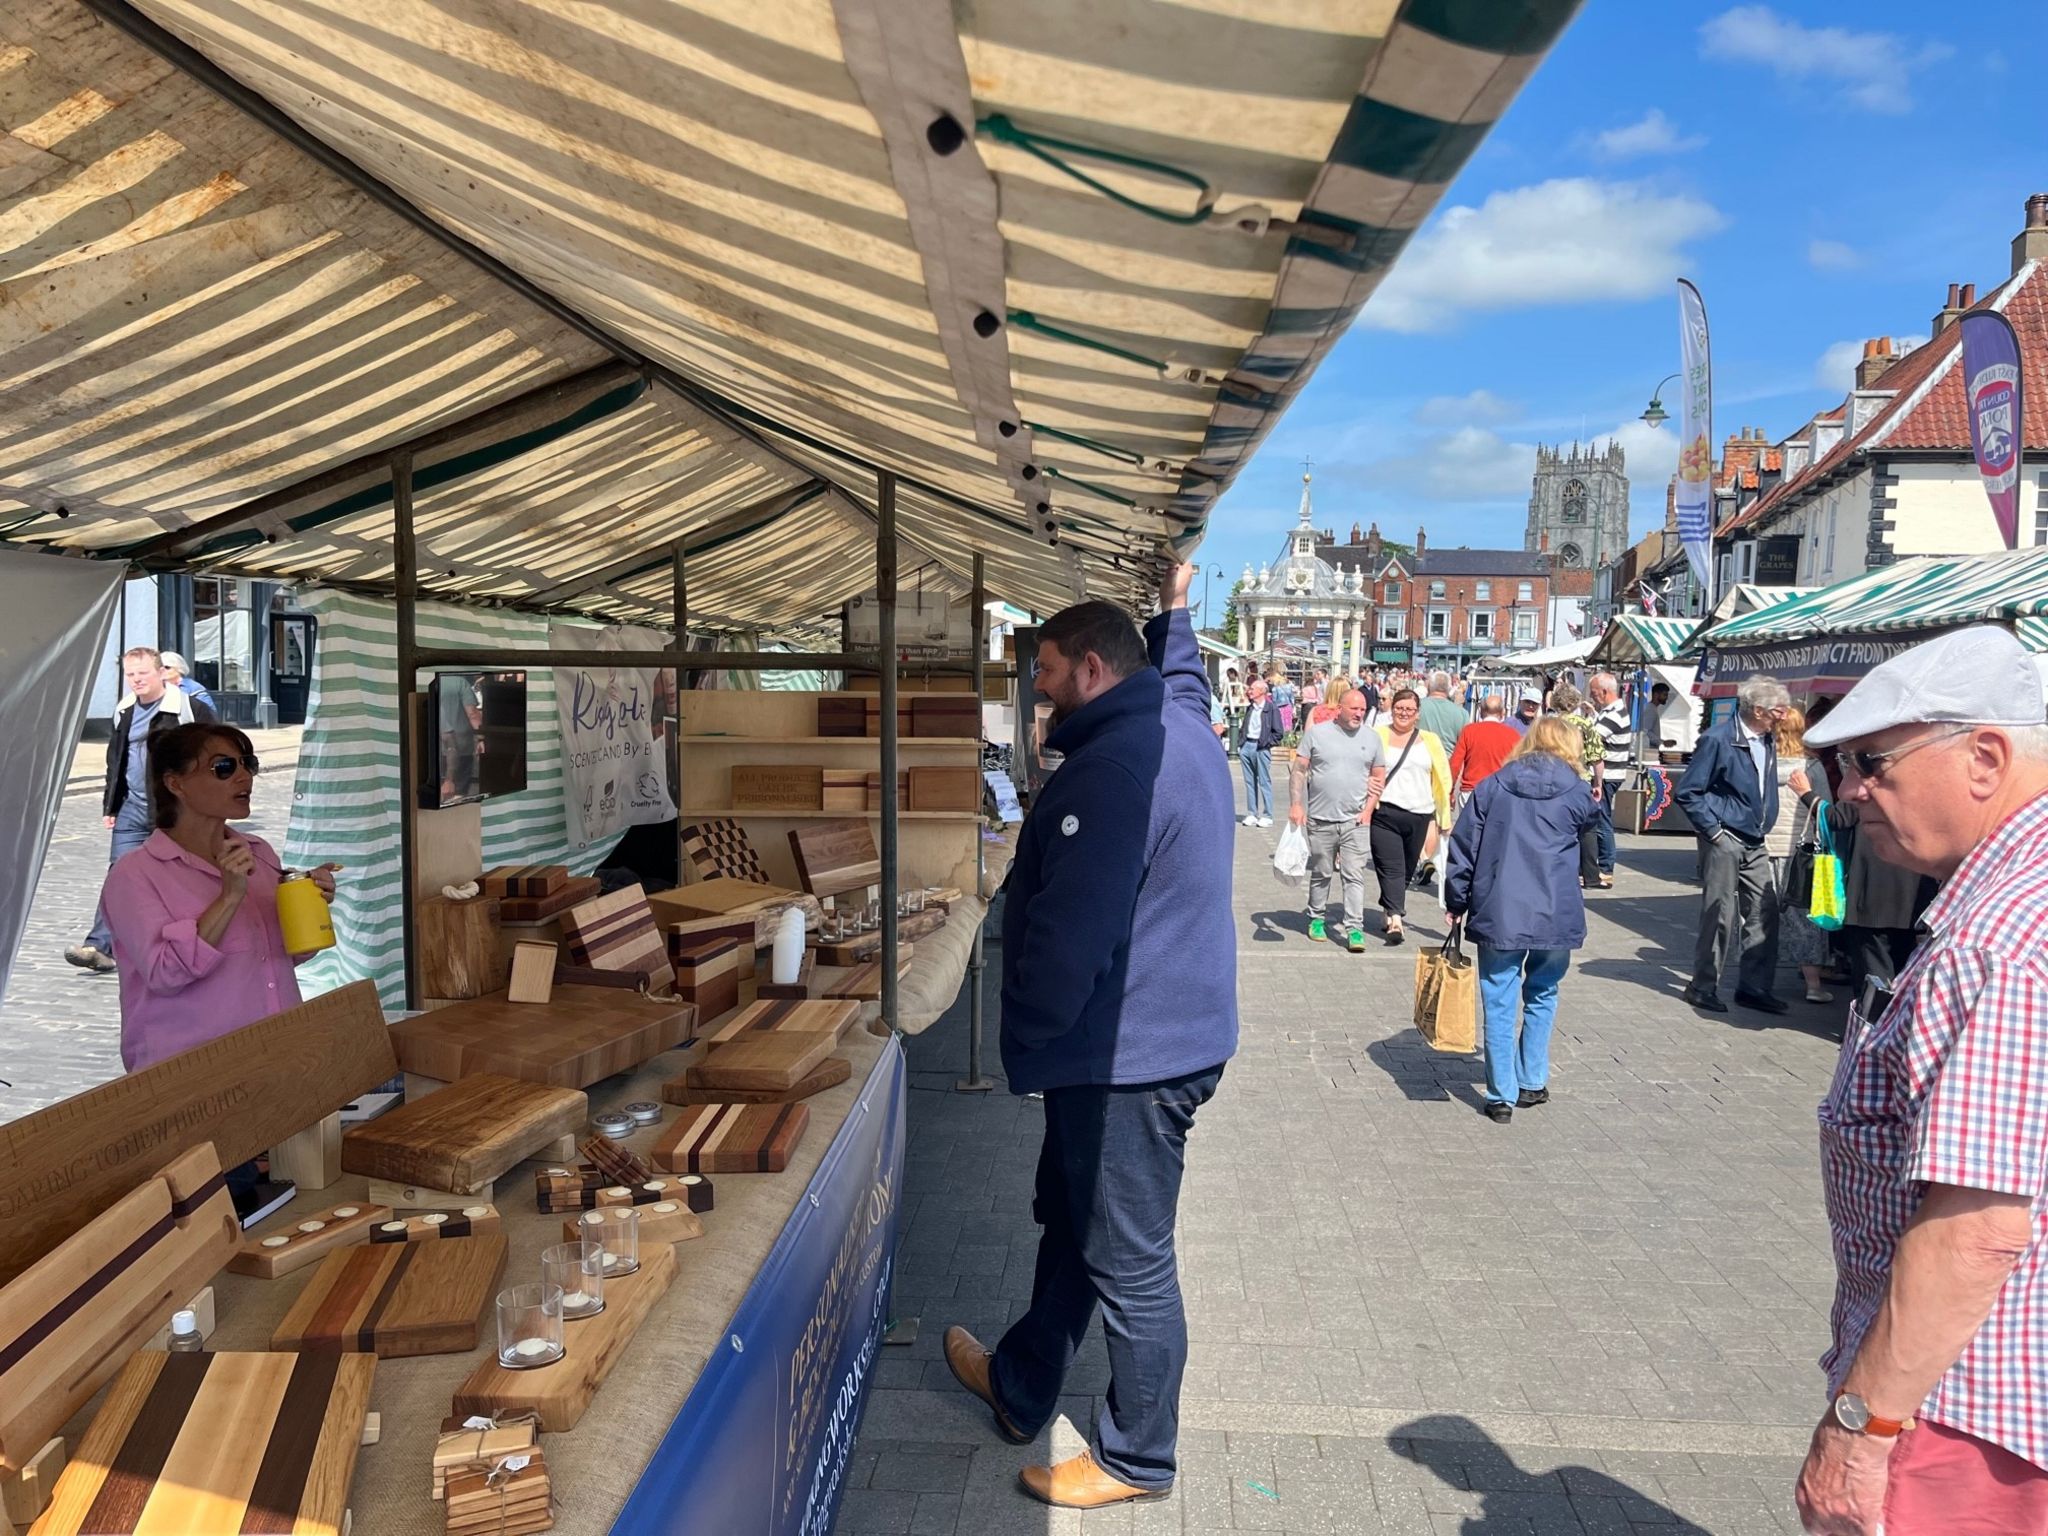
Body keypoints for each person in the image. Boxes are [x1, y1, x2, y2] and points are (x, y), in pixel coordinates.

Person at [946, 563, 1235, 1511]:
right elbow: (1184, 675)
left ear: (1096, 672)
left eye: (1052, 672)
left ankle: (1137, 1459)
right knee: (1076, 1230)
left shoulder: (1113, 771)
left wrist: (1018, 1035)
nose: (1039, 689)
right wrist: (1177, 608)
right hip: (1161, 1041)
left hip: (1131, 1061)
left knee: (1130, 1263)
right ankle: (1024, 1381)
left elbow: (1072, 933)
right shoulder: (1176, 720)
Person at [1787, 626, 2048, 1536]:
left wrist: (1862, 1427)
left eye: (1874, 762)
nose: (1851, 791)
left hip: (1968, 1411)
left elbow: (1976, 1228)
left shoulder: (1997, 941)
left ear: (1985, 756)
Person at [100, 723, 336, 1202]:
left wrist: (308, 902)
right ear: (175, 783)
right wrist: (229, 897)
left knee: (290, 1212)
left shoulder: (257, 852)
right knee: (217, 1223)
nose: (243, 777)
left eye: (247, 764)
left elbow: (284, 955)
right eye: (223, 767)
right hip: (193, 1090)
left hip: (273, 1074)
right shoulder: (135, 876)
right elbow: (165, 972)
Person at [1446, 718, 1600, 1123]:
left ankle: (1501, 1095)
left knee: (1498, 998)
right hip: (1555, 910)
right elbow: (1591, 831)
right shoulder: (1577, 791)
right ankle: (1531, 1079)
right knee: (1543, 992)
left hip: (1500, 906)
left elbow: (1464, 846)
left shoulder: (1494, 786)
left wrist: (1456, 899)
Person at [67, 646, 217, 973]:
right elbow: (115, 759)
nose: (136, 680)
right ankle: (99, 946)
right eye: (130, 675)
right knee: (119, 875)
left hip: (176, 808)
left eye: (142, 673)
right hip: (132, 808)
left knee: (184, 875)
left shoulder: (187, 708)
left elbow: (217, 753)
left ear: (161, 672)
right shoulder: (125, 710)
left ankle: (197, 941)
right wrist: (111, 803)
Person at [1673, 676, 1789, 1014]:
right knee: (1719, 914)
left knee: (1765, 910)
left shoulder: (1766, 739)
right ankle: (1702, 985)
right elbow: (1688, 791)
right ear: (1757, 710)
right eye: (1776, 712)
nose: (1781, 718)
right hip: (1726, 837)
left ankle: (1754, 987)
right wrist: (1714, 832)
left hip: (1755, 838)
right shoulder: (1719, 740)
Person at [1288, 689, 1386, 951]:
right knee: (1322, 871)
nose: (1358, 714)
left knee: (1354, 875)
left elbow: (1378, 778)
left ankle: (1354, 928)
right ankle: (1316, 917)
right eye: (1354, 709)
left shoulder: (1372, 738)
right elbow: (1299, 770)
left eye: (1363, 710)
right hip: (1321, 819)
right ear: (1339, 708)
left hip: (1356, 820)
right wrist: (1296, 804)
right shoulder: (1317, 734)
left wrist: (1368, 810)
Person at [1369, 688, 1453, 945]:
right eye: (1399, 708)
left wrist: (1443, 819)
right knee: (1391, 866)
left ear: (1417, 714)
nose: (1404, 713)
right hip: (1385, 812)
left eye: (1409, 710)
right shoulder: (1377, 735)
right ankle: (1396, 919)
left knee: (1406, 870)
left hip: (1420, 812)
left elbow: (1443, 778)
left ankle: (1387, 906)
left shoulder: (1430, 740)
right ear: (1391, 709)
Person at [1763, 707, 1834, 1005]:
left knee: (1761, 916)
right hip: (1802, 853)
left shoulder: (1761, 763)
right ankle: (1813, 985)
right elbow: (1826, 810)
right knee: (1806, 919)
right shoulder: (1812, 768)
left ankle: (1759, 979)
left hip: (1764, 848)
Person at [1546, 682, 1608, 892]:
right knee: (1588, 828)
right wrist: (1598, 784)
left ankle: (1559, 871)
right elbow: (1597, 758)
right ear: (1575, 702)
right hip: (1580, 780)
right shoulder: (1585, 724)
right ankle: (1590, 875)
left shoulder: (1548, 726)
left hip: (1554, 780)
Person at [1589, 672, 1632, 881]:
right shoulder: (1609, 711)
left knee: (1602, 820)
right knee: (1600, 818)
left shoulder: (1614, 713)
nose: (1592, 696)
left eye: (1594, 693)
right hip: (1609, 774)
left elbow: (1592, 738)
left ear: (1605, 692)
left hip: (1608, 775)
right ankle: (1602, 866)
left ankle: (1606, 868)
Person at [1449, 694, 1520, 795]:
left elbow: (1455, 764)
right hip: (1499, 791)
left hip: (1471, 790)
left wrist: (1449, 791)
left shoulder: (1469, 731)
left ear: (1481, 711)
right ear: (1503, 712)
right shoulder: (1513, 735)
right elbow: (1518, 768)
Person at [1237, 678, 1283, 827]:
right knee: (1249, 782)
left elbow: (1278, 732)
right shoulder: (1251, 708)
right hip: (1247, 746)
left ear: (1262, 691)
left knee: (1264, 781)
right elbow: (1245, 726)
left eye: (1253, 689)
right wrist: (1241, 743)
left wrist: (1265, 743)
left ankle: (1268, 814)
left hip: (1261, 747)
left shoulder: (1271, 708)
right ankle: (1252, 813)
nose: (1250, 691)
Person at [1418, 670, 1468, 751]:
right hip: (1449, 760)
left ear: (1429, 686)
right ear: (1449, 688)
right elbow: (1465, 744)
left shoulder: (1416, 707)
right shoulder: (1462, 713)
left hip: (1420, 759)